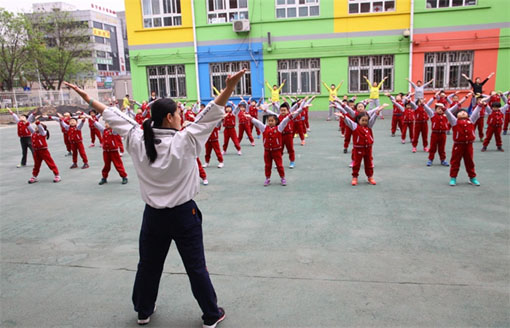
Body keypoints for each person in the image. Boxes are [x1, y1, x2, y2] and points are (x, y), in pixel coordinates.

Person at [64, 69, 246, 328]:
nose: (182, 117)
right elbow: (211, 114)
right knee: (195, 267)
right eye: (179, 113)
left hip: (153, 217)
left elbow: (112, 116)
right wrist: (228, 88)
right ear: (170, 117)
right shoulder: (187, 140)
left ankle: (143, 310)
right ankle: (211, 314)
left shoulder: (138, 139)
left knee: (148, 265)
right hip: (184, 215)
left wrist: (87, 97)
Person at [248, 102, 304, 186]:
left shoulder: (279, 128)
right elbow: (258, 123)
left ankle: (282, 178)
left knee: (279, 165)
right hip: (267, 151)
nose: (270, 122)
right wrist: (250, 118)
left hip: (276, 151)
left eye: (272, 121)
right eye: (269, 121)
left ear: (276, 121)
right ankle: (267, 178)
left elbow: (285, 121)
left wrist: (290, 115)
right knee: (267, 165)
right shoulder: (264, 128)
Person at [335, 103, 388, 186]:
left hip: (368, 148)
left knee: (369, 163)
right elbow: (348, 122)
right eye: (362, 120)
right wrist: (343, 117)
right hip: (358, 149)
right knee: (356, 163)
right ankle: (355, 177)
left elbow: (373, 118)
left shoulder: (369, 126)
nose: (364, 122)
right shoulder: (355, 126)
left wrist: (377, 112)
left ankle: (370, 177)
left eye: (366, 120)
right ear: (358, 120)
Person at [84, 114, 128, 185]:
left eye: (108, 123)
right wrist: (90, 118)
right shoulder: (103, 131)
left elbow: (116, 126)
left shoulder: (114, 131)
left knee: (118, 165)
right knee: (106, 165)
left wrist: (114, 119)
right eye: (105, 123)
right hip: (106, 152)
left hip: (114, 151)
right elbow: (97, 125)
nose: (106, 125)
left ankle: (124, 177)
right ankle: (104, 178)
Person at [445, 104, 482, 186]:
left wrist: (479, 106)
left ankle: (472, 178)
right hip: (458, 145)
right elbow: (449, 115)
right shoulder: (454, 121)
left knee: (470, 162)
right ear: (456, 115)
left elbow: (475, 113)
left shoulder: (471, 120)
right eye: (460, 112)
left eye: (464, 112)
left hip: (469, 145)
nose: (462, 113)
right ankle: (453, 177)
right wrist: (445, 109)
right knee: (455, 162)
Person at [27, 118, 61, 184]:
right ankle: (34, 176)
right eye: (36, 127)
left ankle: (57, 175)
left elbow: (41, 129)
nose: (36, 128)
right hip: (36, 151)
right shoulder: (34, 133)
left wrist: (38, 123)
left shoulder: (43, 133)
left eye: (38, 127)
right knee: (36, 165)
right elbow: (29, 127)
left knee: (50, 163)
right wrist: (27, 123)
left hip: (44, 151)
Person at [423, 102, 449, 167]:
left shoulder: (446, 115)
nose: (440, 110)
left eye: (441, 109)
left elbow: (454, 109)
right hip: (435, 134)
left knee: (442, 148)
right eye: (438, 109)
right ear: (435, 110)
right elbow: (428, 109)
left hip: (443, 134)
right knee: (432, 148)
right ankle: (430, 159)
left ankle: (443, 160)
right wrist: (423, 104)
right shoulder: (433, 115)